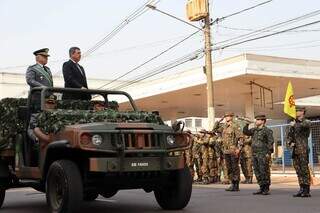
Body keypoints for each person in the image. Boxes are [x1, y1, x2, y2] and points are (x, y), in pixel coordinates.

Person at [243, 115, 274, 195]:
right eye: (256, 120)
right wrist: (246, 124)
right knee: (257, 171)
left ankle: (266, 188)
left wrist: (268, 153)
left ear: (263, 121)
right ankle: (261, 187)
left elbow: (270, 142)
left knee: (264, 171)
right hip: (255, 153)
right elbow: (246, 132)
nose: (256, 121)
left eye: (258, 120)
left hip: (263, 153)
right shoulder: (254, 130)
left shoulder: (267, 130)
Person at [213, 112, 243, 191]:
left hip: (233, 150)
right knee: (229, 168)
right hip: (226, 150)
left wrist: (238, 149)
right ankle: (232, 183)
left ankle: (236, 185)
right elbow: (214, 130)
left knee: (235, 167)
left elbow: (240, 138)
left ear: (232, 117)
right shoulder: (224, 127)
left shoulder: (235, 126)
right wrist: (219, 120)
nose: (226, 117)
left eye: (228, 116)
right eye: (225, 116)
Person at [287, 107, 312, 198]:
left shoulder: (306, 122)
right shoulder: (293, 123)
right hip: (295, 150)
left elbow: (305, 126)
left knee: (304, 170)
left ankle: (306, 190)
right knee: (298, 170)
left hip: (302, 149)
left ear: (302, 112)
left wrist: (295, 125)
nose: (296, 112)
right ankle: (301, 188)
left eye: (297, 111)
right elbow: (289, 135)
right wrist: (290, 143)